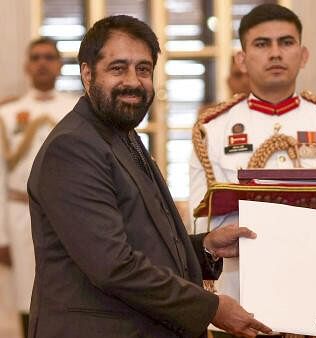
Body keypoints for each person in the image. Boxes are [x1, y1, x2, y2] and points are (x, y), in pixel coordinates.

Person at [27, 15, 271, 338]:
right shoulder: (73, 147)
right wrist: (212, 309)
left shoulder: (120, 134)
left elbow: (145, 240)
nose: (133, 81)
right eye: (118, 68)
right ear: (87, 74)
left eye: (143, 69)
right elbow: (114, 266)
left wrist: (206, 247)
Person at [188, 3, 316, 337]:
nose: (275, 53)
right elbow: (201, 219)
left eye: (286, 42)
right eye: (261, 44)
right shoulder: (212, 129)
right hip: (239, 303)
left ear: (303, 54)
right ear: (242, 59)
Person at [0, 37, 78, 337]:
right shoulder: (7, 115)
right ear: (27, 66)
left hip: (71, 214)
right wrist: (2, 236)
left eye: (49, 57)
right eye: (36, 57)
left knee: (70, 289)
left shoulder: (76, 109)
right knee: (26, 293)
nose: (42, 63)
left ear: (59, 65)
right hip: (22, 213)